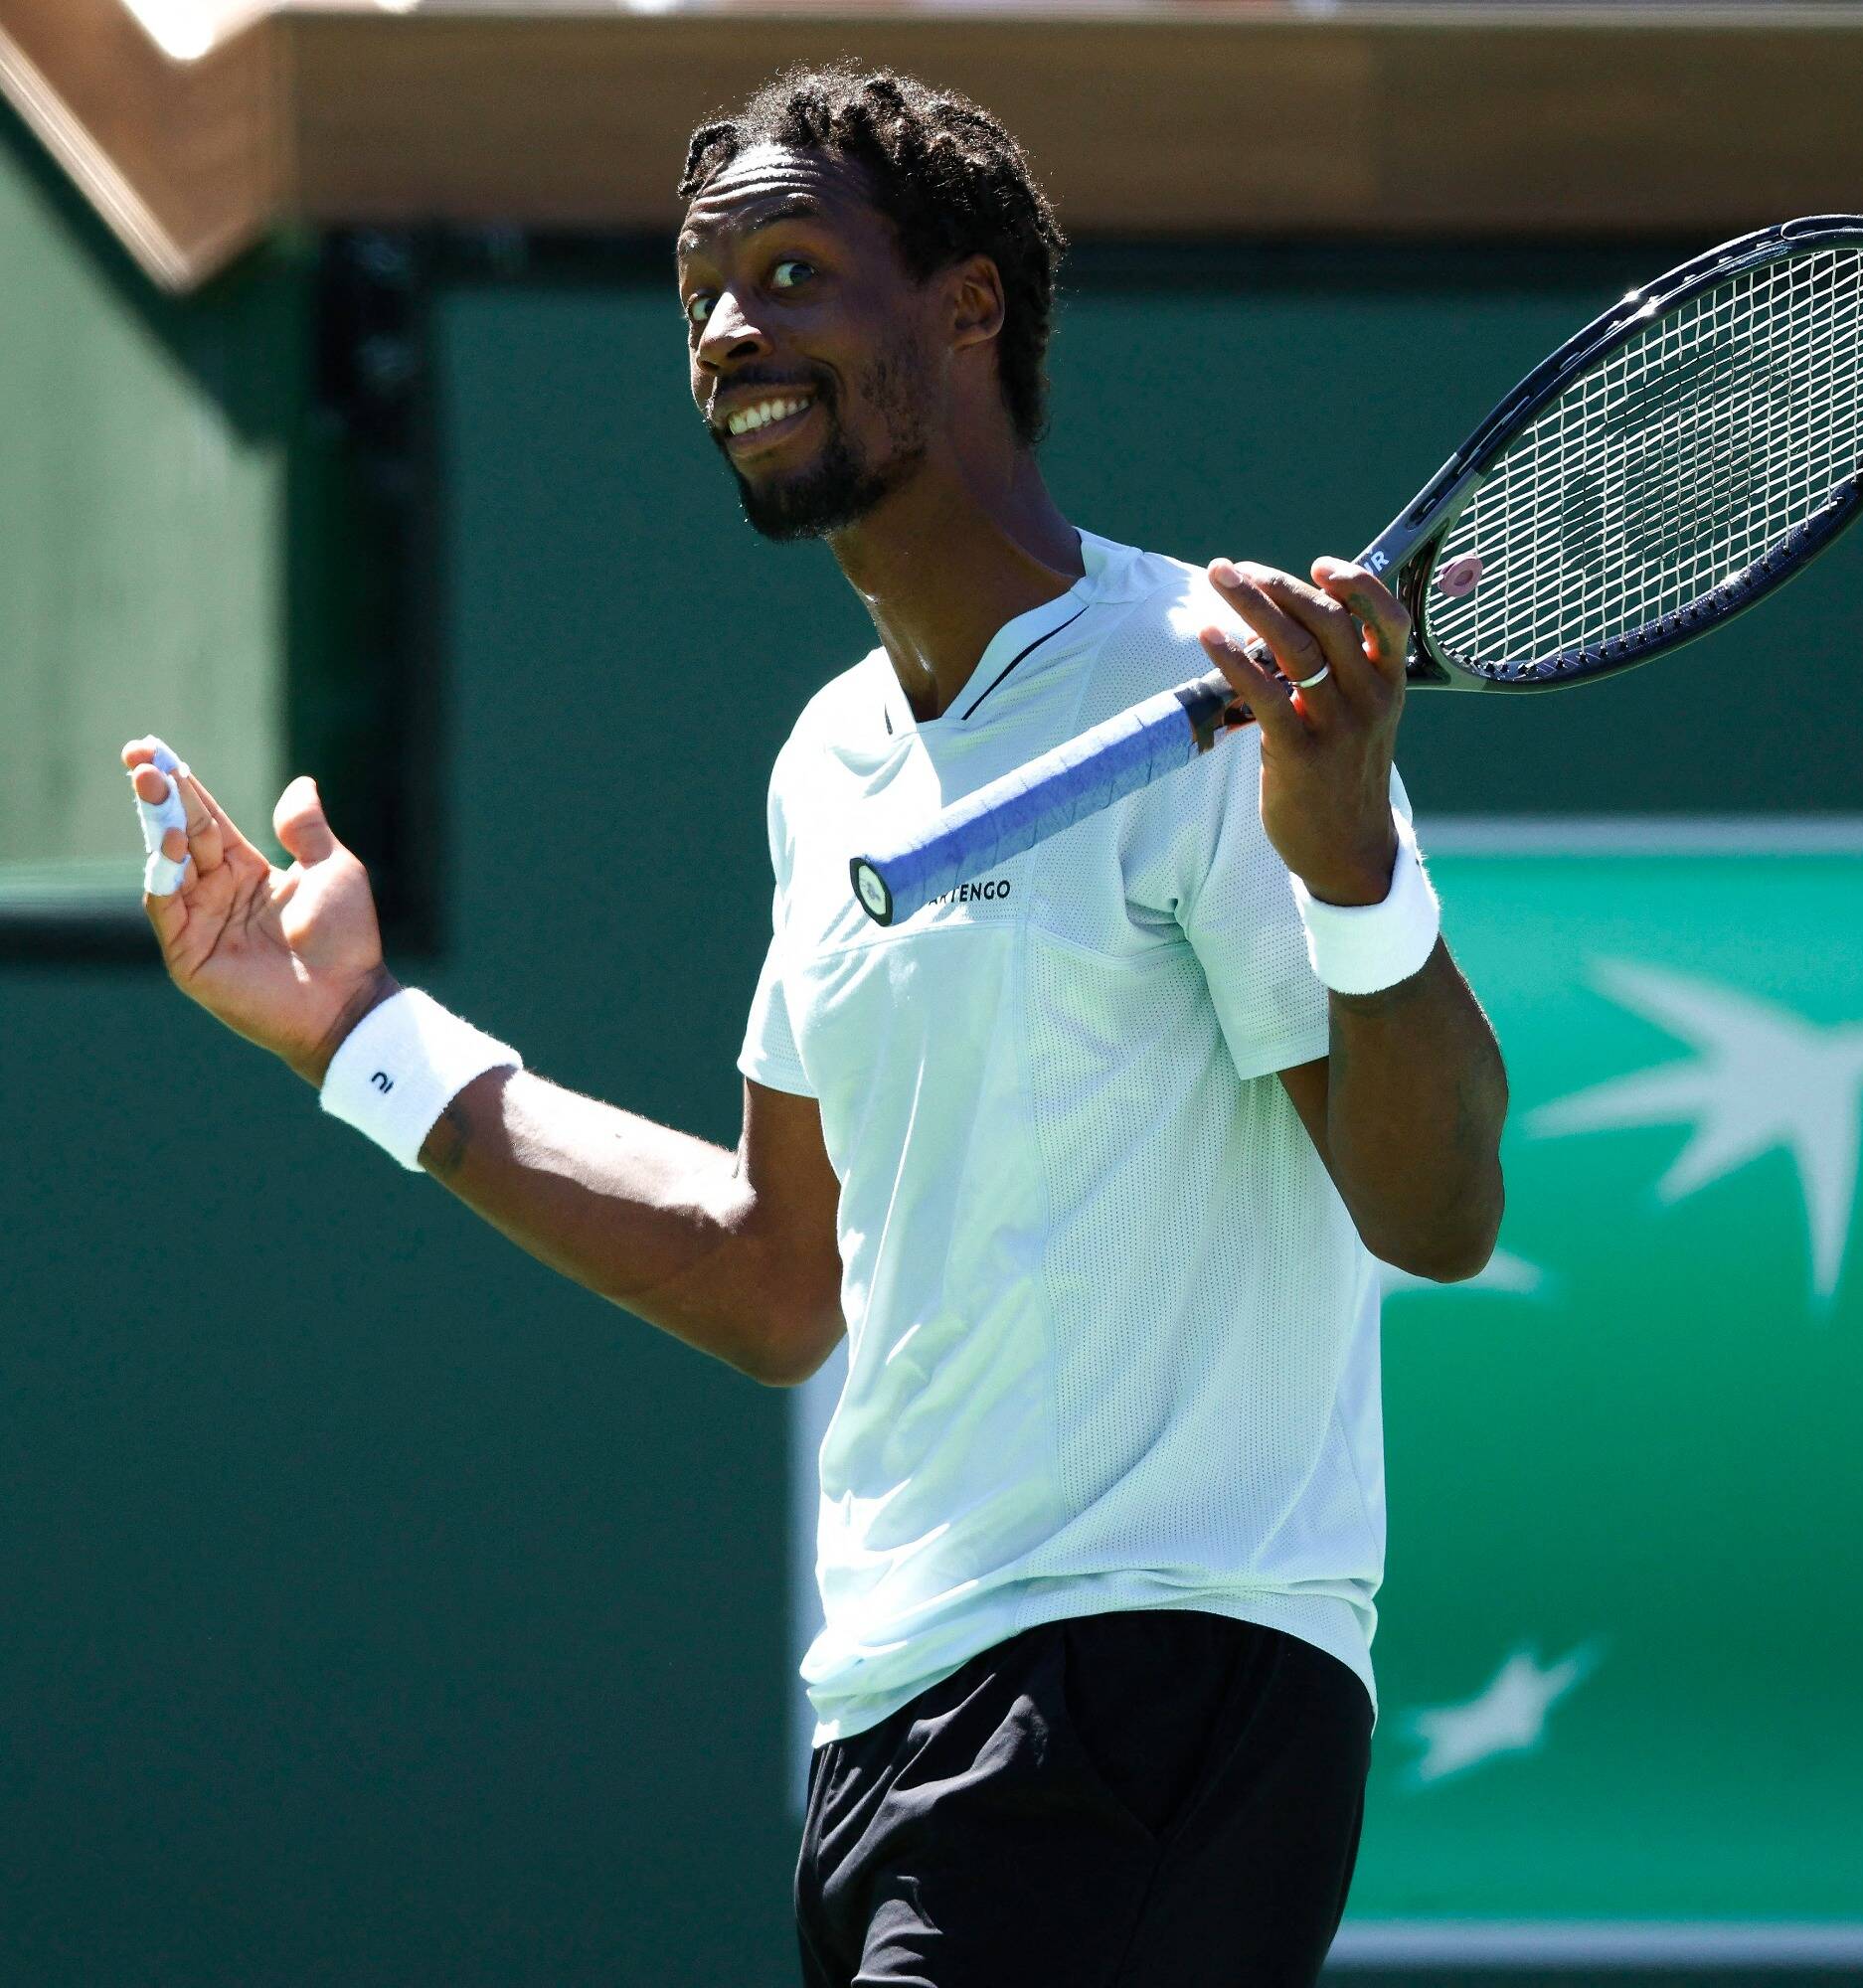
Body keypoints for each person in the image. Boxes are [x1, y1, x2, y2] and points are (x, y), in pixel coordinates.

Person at [123, 64, 1507, 1988]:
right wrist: (357, 1035)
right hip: (894, 1717)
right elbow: (782, 1273)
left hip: (1156, 1677)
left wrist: (1352, 861)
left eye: (791, 273)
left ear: (966, 307)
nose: (726, 335)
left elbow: (1431, 1213)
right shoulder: (831, 760)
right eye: (701, 293)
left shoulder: (1203, 679)